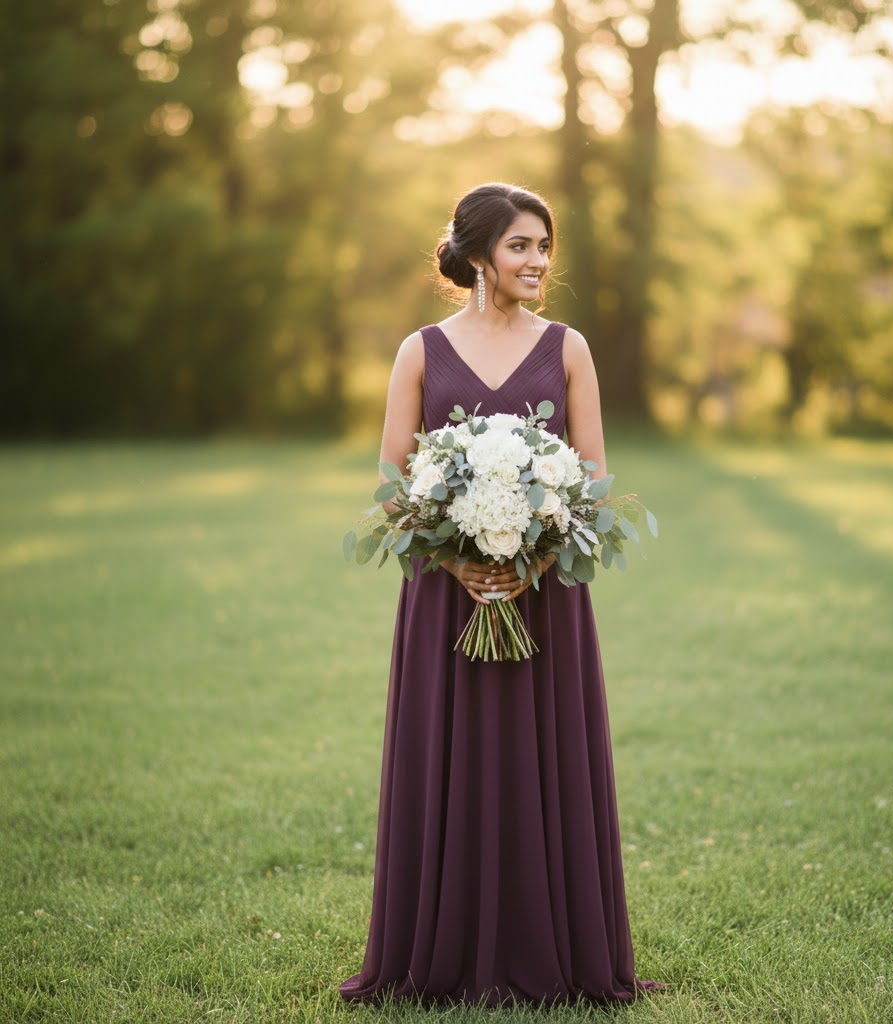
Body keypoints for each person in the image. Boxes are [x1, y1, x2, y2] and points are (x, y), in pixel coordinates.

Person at [338, 182, 662, 1007]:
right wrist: (454, 563)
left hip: (544, 596)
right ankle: (436, 952)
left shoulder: (570, 348)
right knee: (448, 760)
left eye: (544, 247)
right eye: (521, 246)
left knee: (541, 760)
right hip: (446, 600)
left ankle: (555, 944)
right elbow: (389, 483)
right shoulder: (420, 350)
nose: (538, 262)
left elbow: (590, 480)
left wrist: (535, 556)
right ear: (479, 254)